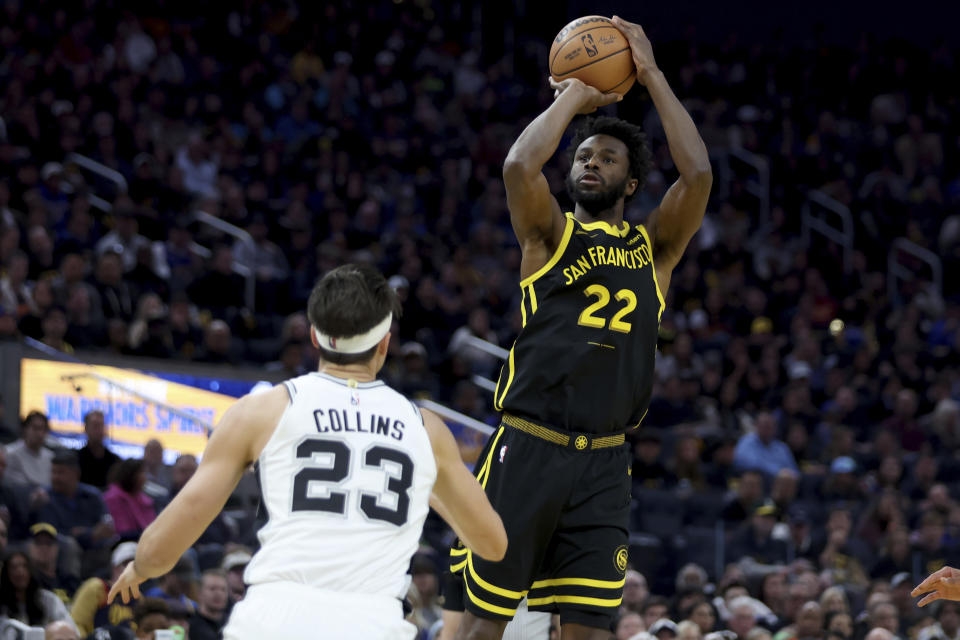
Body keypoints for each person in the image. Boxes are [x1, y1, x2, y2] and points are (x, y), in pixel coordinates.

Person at [444, 14, 711, 640]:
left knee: (587, 632)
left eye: (607, 157)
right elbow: (517, 166)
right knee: (486, 629)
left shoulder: (656, 251)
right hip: (528, 446)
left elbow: (697, 175)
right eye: (584, 156)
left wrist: (649, 72)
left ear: (632, 181)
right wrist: (573, 96)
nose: (590, 163)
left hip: (604, 463)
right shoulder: (550, 235)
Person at [107, 264, 507, 639]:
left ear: (314, 336)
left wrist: (141, 566)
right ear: (385, 344)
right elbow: (492, 545)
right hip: (372, 624)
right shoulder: (427, 430)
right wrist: (427, 488)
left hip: (273, 621)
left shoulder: (260, 410)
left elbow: (170, 539)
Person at [70, 541, 139, 636]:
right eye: (126, 564)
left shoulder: (139, 599)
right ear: (115, 567)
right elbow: (76, 624)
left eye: (136, 566)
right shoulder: (96, 588)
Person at [0, 550, 78, 632]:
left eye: (24, 566)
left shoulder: (49, 600)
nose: (20, 571)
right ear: (6, 573)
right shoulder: (2, 606)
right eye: (14, 567)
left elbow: (71, 630)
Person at [6, 411, 54, 486]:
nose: (40, 434)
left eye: (44, 429)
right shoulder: (9, 454)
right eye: (35, 428)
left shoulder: (51, 457)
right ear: (25, 429)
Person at [78, 410, 121, 490]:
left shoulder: (115, 461)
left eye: (102, 426)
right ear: (86, 429)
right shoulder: (76, 459)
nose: (99, 430)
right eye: (95, 426)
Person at [187, 570, 229, 640]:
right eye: (212, 589)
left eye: (223, 589)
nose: (218, 594)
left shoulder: (232, 623)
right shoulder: (190, 625)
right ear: (199, 593)